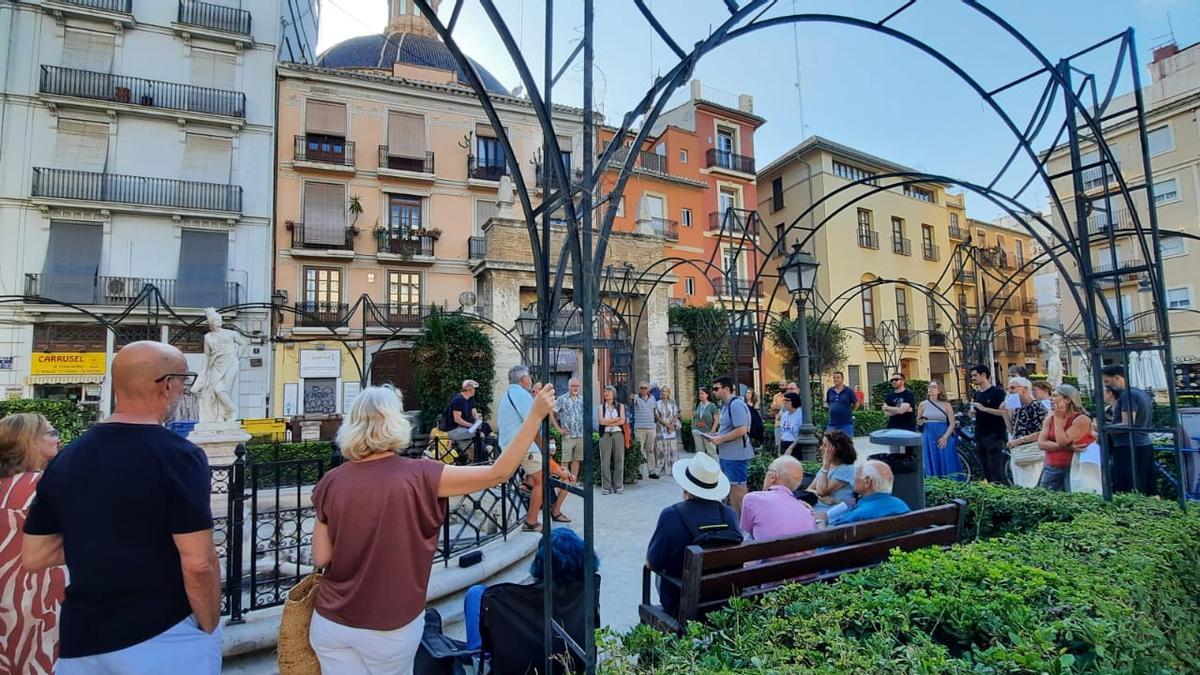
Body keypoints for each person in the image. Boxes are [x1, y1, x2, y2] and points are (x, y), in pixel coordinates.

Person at [309, 383, 554, 673]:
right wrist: (534, 416)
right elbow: (497, 473)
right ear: (396, 422)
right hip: (388, 627)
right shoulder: (421, 475)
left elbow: (321, 557)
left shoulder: (331, 481)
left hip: (330, 623)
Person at [22, 341, 222, 674]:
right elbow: (199, 563)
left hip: (81, 641)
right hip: (161, 634)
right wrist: (211, 627)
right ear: (167, 385)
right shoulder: (178, 457)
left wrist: (106, 541)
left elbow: (35, 555)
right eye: (183, 381)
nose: (184, 389)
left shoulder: (69, 456)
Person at [1, 413, 66, 673]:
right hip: (41, 593)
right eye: (51, 433)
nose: (57, 438)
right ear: (29, 442)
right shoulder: (46, 487)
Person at [462, 527, 599, 651]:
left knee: (475, 593)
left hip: (522, 659)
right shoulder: (587, 589)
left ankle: (477, 654)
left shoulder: (513, 597)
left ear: (540, 561)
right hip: (571, 656)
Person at [645, 453, 739, 618]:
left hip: (682, 602)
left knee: (660, 576)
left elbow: (653, 562)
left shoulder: (671, 515)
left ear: (686, 487)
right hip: (724, 600)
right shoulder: (730, 514)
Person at [498, 365, 549, 532]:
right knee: (542, 481)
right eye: (529, 378)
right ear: (524, 380)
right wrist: (542, 446)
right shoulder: (522, 394)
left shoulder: (507, 394)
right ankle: (531, 522)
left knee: (508, 478)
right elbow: (532, 424)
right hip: (524, 446)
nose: (531, 381)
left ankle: (525, 486)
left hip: (509, 444)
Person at [705, 376, 753, 516]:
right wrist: (716, 436)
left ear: (726, 389)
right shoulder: (726, 405)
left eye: (716, 389)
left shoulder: (736, 404)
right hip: (729, 455)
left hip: (736, 455)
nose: (714, 392)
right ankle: (738, 523)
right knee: (732, 490)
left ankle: (745, 526)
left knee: (738, 491)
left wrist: (720, 439)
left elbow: (742, 429)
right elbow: (729, 428)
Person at [1102, 364, 1154, 495]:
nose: (1107, 386)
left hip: (1129, 447)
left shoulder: (1128, 395)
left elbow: (1128, 424)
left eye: (1107, 381)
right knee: (1147, 486)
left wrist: (1104, 428)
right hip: (1143, 444)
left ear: (1118, 378)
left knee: (1127, 488)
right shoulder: (1139, 392)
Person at [740, 455, 815, 541]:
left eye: (767, 471)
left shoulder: (752, 499)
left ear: (773, 477)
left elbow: (746, 529)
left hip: (766, 553)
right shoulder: (806, 510)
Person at [1035, 384, 1094, 492]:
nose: (1050, 399)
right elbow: (1041, 444)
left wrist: (1058, 418)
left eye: (1055, 396)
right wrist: (1069, 447)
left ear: (1068, 400)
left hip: (1073, 467)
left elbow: (1061, 441)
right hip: (1051, 466)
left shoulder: (1081, 419)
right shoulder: (1049, 419)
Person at [827, 460, 911, 526]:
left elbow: (829, 542)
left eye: (857, 474)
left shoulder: (858, 515)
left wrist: (822, 521)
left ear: (867, 481)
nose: (854, 478)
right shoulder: (901, 504)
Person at [969, 364, 1009, 484]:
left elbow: (1003, 412)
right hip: (980, 434)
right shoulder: (977, 394)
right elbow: (978, 411)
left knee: (996, 467)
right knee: (985, 466)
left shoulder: (997, 392)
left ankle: (1000, 490)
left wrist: (984, 409)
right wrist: (973, 413)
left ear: (984, 375)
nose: (973, 378)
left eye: (975, 375)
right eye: (972, 376)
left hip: (994, 434)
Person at [1006, 376, 1048, 488]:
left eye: (1013, 388)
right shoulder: (1018, 408)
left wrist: (1020, 441)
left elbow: (1043, 432)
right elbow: (1012, 431)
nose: (1010, 391)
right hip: (1019, 452)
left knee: (1031, 484)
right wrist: (1004, 413)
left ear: (1024, 389)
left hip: (1032, 453)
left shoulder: (1037, 406)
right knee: (1020, 484)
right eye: (1009, 388)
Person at [917, 380, 961, 479]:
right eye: (929, 387)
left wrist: (945, 437)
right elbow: (918, 421)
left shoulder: (946, 405)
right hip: (929, 435)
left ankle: (950, 484)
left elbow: (952, 423)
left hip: (943, 434)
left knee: (946, 460)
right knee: (931, 459)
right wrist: (920, 422)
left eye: (934, 387)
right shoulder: (922, 404)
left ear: (940, 390)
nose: (931, 389)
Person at [807, 429, 858, 513]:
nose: (821, 448)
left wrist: (826, 465)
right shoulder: (829, 466)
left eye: (825, 446)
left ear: (836, 449)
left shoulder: (846, 469)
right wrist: (820, 497)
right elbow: (809, 489)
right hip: (818, 508)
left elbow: (822, 491)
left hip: (833, 513)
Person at [441, 379, 483, 462]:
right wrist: (472, 426)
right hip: (454, 430)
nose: (474, 391)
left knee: (473, 447)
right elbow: (457, 419)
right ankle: (481, 459)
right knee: (479, 434)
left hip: (464, 430)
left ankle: (473, 463)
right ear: (468, 389)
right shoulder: (458, 400)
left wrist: (478, 418)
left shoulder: (470, 399)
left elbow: (474, 413)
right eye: (473, 389)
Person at [553, 378, 585, 481]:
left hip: (580, 435)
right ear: (569, 387)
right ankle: (564, 483)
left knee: (577, 460)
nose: (575, 388)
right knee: (565, 460)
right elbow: (551, 412)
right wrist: (558, 428)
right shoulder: (562, 399)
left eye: (577, 386)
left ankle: (572, 482)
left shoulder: (582, 399)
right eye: (573, 386)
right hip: (568, 435)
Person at [596, 386, 626, 495]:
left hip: (618, 434)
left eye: (609, 391)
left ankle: (618, 485)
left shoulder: (620, 406)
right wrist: (615, 420)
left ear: (613, 394)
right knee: (605, 461)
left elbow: (622, 421)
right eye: (605, 392)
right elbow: (601, 422)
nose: (606, 393)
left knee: (619, 459)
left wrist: (609, 421)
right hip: (605, 434)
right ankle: (606, 487)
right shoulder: (601, 407)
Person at [632, 381, 659, 479]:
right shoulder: (635, 398)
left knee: (650, 450)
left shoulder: (653, 399)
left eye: (645, 388)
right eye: (641, 388)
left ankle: (651, 471)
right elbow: (629, 400)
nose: (643, 390)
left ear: (648, 389)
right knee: (640, 450)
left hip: (651, 428)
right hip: (640, 428)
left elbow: (655, 412)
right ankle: (639, 472)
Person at [654, 386, 682, 478]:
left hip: (671, 429)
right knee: (661, 449)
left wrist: (671, 425)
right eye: (662, 391)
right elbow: (658, 416)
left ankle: (675, 470)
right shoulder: (657, 403)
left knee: (672, 450)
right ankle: (660, 469)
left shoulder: (672, 403)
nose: (663, 393)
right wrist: (667, 425)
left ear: (669, 393)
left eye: (665, 391)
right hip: (661, 429)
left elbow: (675, 414)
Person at [826, 371, 857, 438]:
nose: (835, 379)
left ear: (842, 379)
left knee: (847, 445)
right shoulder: (830, 391)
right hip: (832, 424)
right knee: (830, 443)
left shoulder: (849, 391)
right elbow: (829, 403)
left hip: (846, 423)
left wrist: (850, 410)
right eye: (834, 377)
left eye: (838, 377)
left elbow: (856, 403)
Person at [691, 387, 718, 460]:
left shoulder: (712, 406)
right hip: (697, 432)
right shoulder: (697, 404)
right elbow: (693, 417)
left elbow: (716, 420)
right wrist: (693, 428)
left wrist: (712, 432)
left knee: (711, 453)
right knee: (699, 453)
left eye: (702, 393)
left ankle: (714, 470)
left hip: (708, 432)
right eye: (699, 394)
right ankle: (701, 470)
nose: (700, 395)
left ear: (707, 395)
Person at [777, 392, 804, 459]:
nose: (785, 402)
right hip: (784, 443)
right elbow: (782, 433)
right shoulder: (784, 414)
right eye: (784, 400)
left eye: (787, 400)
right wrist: (779, 450)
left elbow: (801, 434)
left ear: (794, 401)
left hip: (794, 446)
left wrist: (790, 448)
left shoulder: (800, 415)